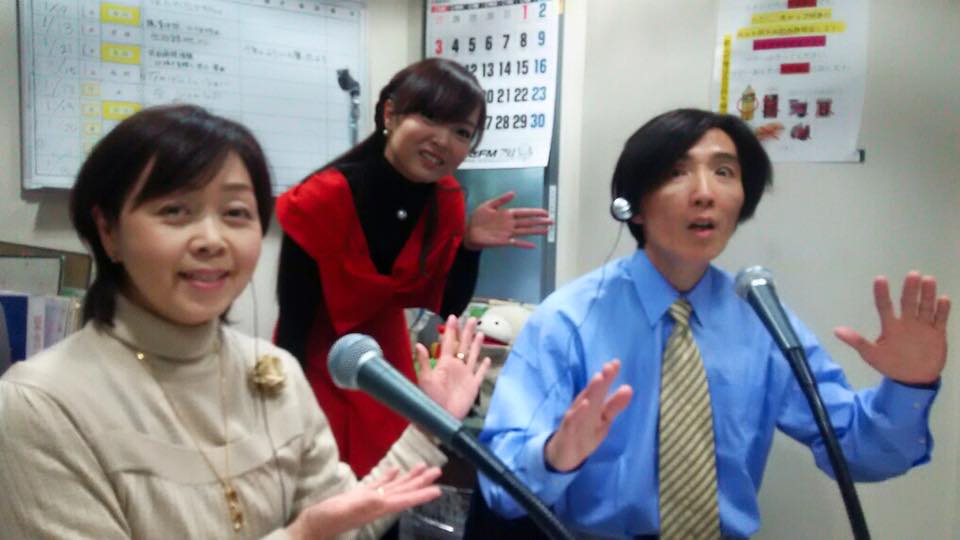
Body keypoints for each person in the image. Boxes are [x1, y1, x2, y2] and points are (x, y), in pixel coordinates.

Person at [0, 104, 491, 539]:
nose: (212, 240)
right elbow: (314, 533)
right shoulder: (41, 405)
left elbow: (342, 525)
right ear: (108, 230)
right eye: (175, 211)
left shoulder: (273, 372)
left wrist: (429, 423)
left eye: (236, 212)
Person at [476, 108, 950, 538]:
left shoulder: (761, 320)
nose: (704, 194)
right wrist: (555, 457)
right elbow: (500, 486)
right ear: (633, 206)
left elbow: (858, 452)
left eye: (724, 172)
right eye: (676, 173)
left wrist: (908, 386)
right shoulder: (568, 320)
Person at [274, 57, 552, 478]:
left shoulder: (447, 199)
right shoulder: (322, 197)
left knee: (393, 487)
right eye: (430, 117)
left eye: (462, 132)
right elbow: (293, 321)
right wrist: (280, 412)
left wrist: (470, 247)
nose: (443, 140)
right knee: (319, 489)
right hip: (318, 365)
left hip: (387, 370)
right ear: (390, 113)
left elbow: (448, 305)